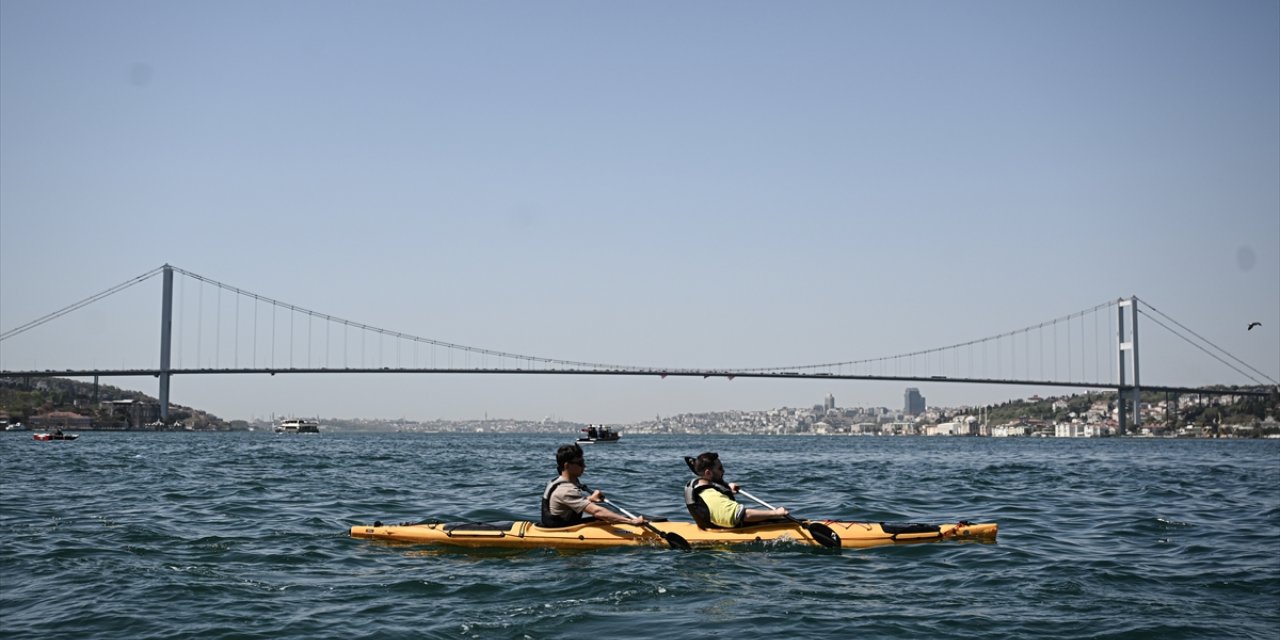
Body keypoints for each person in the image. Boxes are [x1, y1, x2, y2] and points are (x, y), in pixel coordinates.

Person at [540, 443, 646, 528]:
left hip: (564, 524)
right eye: (580, 463)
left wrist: (590, 498)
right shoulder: (565, 490)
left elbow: (568, 503)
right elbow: (597, 511)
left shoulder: (556, 482)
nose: (584, 466)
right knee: (603, 517)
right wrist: (630, 521)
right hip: (561, 529)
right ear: (567, 465)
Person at [684, 451, 788, 529]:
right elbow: (743, 515)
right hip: (725, 532)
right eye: (720, 468)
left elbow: (711, 484)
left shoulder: (697, 483)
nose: (723, 470)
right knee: (778, 518)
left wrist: (727, 487)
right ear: (708, 473)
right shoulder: (711, 496)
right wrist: (776, 513)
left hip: (711, 525)